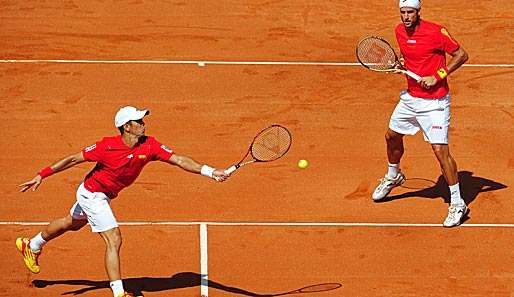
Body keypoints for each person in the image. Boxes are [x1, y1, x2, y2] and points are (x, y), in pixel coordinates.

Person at [16, 106, 230, 297]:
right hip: (92, 194)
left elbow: (180, 160)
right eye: (139, 121)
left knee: (71, 223)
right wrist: (41, 175)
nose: (143, 124)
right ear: (126, 127)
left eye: (143, 120)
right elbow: (73, 159)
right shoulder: (106, 146)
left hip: (105, 194)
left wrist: (211, 172)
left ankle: (32, 244)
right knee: (114, 238)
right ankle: (119, 292)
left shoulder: (150, 145)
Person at [372, 0, 469, 227]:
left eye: (410, 12)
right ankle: (394, 175)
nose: (406, 17)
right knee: (391, 136)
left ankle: (457, 202)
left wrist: (438, 75)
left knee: (440, 151)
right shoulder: (399, 31)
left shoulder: (436, 32)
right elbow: (409, 54)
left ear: (418, 12)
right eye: (403, 12)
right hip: (410, 99)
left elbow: (462, 55)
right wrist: (402, 64)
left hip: (435, 103)